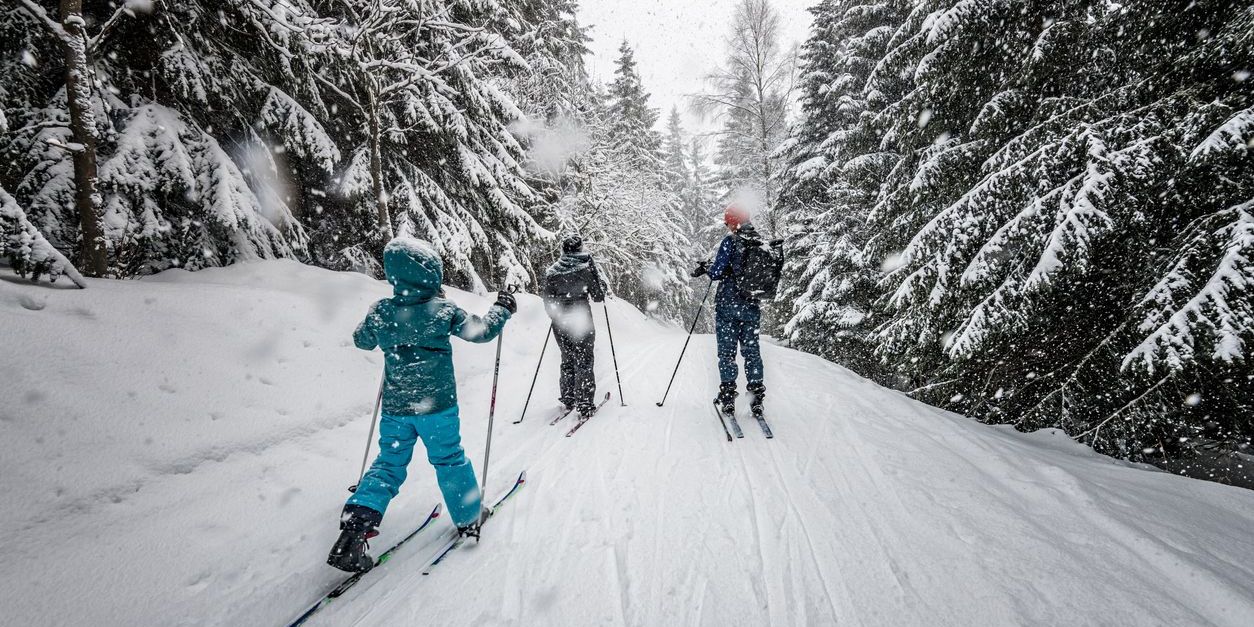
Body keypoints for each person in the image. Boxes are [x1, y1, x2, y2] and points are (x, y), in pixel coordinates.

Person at [328, 237, 517, 573]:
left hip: (397, 408)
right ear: (430, 273)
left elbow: (362, 340)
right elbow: (482, 332)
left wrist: (386, 328)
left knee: (387, 464)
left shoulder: (381, 311)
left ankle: (353, 531)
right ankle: (469, 517)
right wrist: (502, 308)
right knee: (448, 459)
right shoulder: (442, 310)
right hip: (437, 407)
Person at [691, 205, 766, 416]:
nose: (727, 226)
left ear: (735, 221)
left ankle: (728, 397)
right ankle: (756, 398)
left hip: (728, 306)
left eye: (727, 222)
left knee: (727, 354)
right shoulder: (760, 241)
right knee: (752, 352)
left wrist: (706, 268)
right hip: (751, 305)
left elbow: (717, 272)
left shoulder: (731, 241)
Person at [542, 234, 607, 418]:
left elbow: (547, 302)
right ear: (580, 249)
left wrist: (557, 315)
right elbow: (598, 296)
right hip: (581, 320)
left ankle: (569, 398)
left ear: (563, 250)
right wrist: (594, 273)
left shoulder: (552, 272)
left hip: (560, 322)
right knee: (584, 360)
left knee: (567, 358)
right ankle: (585, 403)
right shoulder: (585, 268)